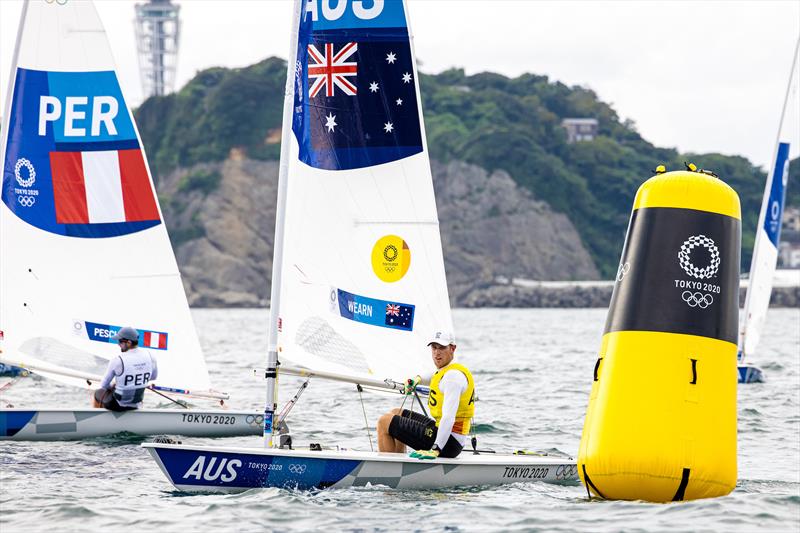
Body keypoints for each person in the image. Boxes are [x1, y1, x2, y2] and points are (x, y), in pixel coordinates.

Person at [376, 330, 475, 460]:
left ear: (452, 348)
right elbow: (432, 376)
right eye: (434, 347)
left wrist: (436, 449)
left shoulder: (453, 377)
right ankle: (398, 459)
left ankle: (387, 470)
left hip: (449, 443)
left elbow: (449, 418)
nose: (437, 352)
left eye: (442, 348)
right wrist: (416, 379)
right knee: (396, 413)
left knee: (384, 422)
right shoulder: (447, 370)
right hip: (444, 433)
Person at [92, 327, 158, 412]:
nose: (118, 344)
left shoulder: (117, 360)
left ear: (129, 342)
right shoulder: (151, 356)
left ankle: (98, 420)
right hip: (136, 403)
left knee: (97, 393)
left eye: (120, 341)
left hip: (119, 405)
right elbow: (153, 377)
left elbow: (104, 385)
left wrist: (113, 386)